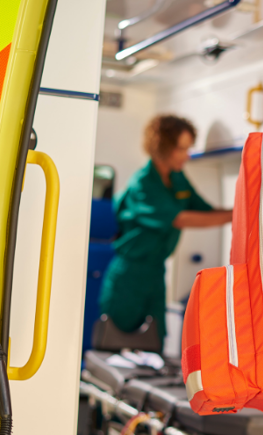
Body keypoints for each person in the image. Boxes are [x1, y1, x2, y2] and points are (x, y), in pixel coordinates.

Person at [99, 115, 232, 347]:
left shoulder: (178, 179)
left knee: (153, 342)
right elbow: (180, 219)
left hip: (155, 273)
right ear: (163, 147)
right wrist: (235, 215)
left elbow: (207, 211)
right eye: (181, 149)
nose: (187, 155)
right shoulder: (143, 184)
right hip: (130, 274)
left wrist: (245, 211)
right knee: (115, 341)